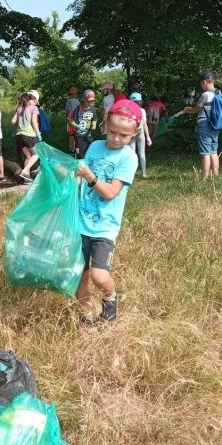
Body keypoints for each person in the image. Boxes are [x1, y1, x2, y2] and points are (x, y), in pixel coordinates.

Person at [74, 99, 140, 326]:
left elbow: (111, 192)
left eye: (124, 135)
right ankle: (87, 317)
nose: (116, 139)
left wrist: (90, 177)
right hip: (80, 222)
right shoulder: (94, 147)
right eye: (112, 132)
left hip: (104, 227)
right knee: (79, 278)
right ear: (104, 125)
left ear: (135, 133)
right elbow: (80, 179)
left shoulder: (128, 158)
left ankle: (111, 298)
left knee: (98, 276)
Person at [181, 70, 220, 179]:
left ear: (204, 82)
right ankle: (215, 176)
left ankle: (204, 178)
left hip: (205, 124)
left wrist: (188, 110)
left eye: (201, 84)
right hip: (216, 124)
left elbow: (197, 110)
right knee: (213, 151)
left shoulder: (205, 95)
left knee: (205, 153)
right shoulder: (219, 93)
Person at [11, 90, 41, 183]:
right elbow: (34, 122)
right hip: (29, 135)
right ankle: (24, 171)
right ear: (33, 100)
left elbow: (13, 121)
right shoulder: (34, 108)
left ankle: (26, 180)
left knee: (28, 157)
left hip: (19, 135)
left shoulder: (19, 108)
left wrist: (18, 128)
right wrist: (38, 133)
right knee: (37, 154)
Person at [68, 90, 98, 159]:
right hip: (79, 136)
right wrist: (77, 126)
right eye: (88, 101)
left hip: (88, 136)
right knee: (80, 154)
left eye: (92, 101)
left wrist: (94, 124)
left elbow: (94, 119)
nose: (90, 103)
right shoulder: (78, 109)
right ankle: (79, 165)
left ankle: (87, 165)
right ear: (84, 100)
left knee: (89, 152)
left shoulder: (93, 109)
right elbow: (71, 121)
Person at [128, 92, 151, 178]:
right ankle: (131, 173)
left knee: (142, 153)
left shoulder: (142, 111)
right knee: (132, 154)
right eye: (134, 102)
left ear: (140, 102)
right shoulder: (128, 111)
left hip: (140, 134)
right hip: (131, 135)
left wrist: (148, 137)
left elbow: (144, 124)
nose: (136, 103)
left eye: (137, 102)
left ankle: (144, 173)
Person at [65, 86, 80, 153]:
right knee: (76, 134)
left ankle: (70, 148)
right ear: (74, 94)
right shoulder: (76, 101)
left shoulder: (68, 101)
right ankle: (75, 149)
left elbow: (67, 111)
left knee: (71, 135)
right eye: (76, 93)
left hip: (69, 118)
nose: (77, 95)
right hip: (75, 118)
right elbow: (80, 110)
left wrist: (67, 118)